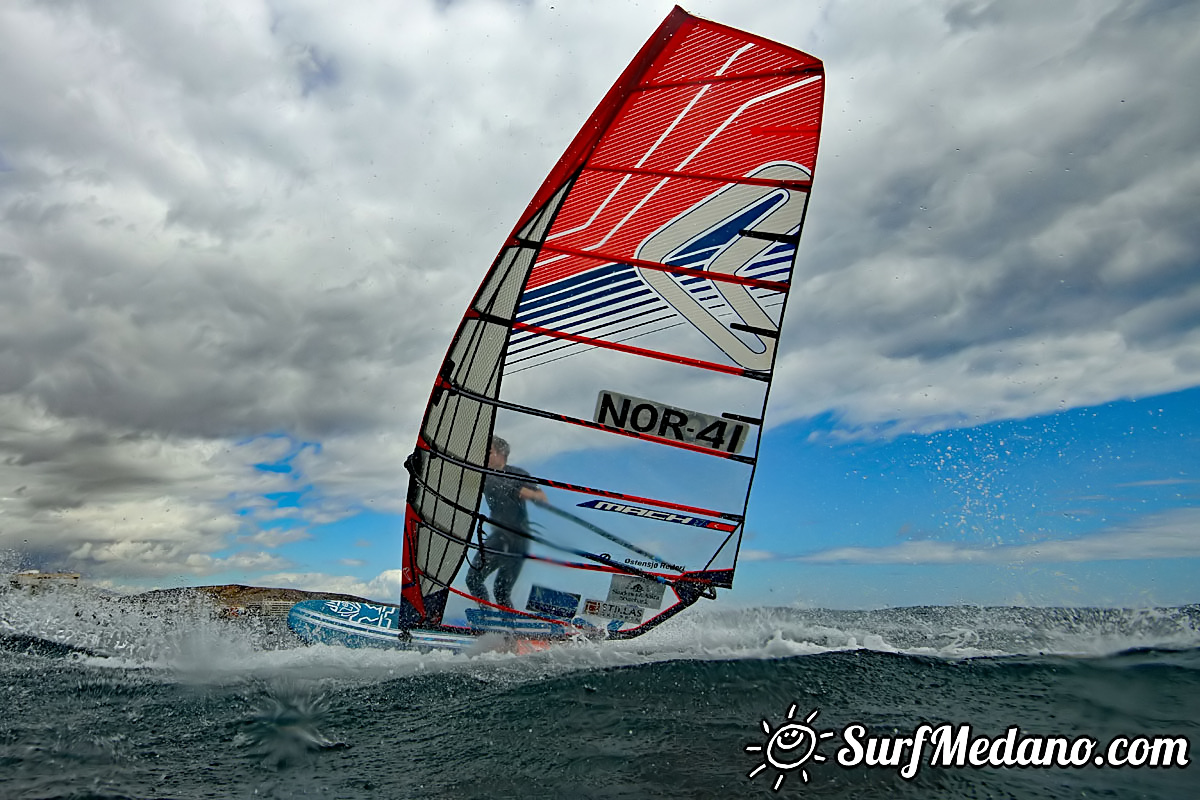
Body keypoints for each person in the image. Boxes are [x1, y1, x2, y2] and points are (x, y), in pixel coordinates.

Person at [465, 435, 547, 609]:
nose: (484, 456)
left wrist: (529, 494)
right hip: (499, 538)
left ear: (501, 454)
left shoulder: (519, 474)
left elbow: (542, 498)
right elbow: (461, 480)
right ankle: (487, 617)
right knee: (473, 579)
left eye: (488, 452)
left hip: (519, 539)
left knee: (501, 591)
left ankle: (510, 631)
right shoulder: (484, 476)